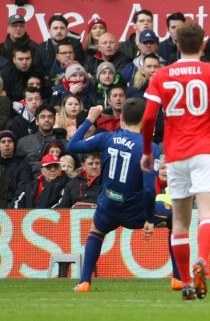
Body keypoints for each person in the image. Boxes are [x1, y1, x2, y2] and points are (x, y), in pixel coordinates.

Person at [140, 21, 210, 300]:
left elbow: (148, 118)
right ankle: (202, 261)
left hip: (175, 155)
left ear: (177, 45)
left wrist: (148, 150)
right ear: (203, 44)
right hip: (205, 151)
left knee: (180, 223)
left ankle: (184, 283)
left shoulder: (161, 75)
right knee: (208, 214)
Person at [67, 102, 162, 292]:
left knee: (96, 232)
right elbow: (150, 190)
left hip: (108, 205)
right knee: (175, 220)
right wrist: (150, 219)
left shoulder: (106, 138)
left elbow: (72, 145)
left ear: (122, 118)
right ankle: (179, 279)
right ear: (144, 121)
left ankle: (84, 281)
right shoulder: (149, 147)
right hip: (136, 212)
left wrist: (89, 119)